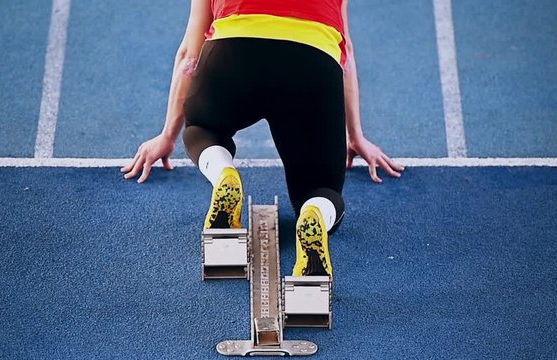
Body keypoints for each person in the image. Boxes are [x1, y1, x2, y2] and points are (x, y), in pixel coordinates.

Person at [121, 0, 404, 277]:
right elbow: (347, 56)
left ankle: (223, 175)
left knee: (202, 130)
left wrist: (167, 135)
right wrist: (356, 135)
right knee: (322, 188)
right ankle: (315, 212)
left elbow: (188, 56)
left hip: (233, 57)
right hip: (311, 66)